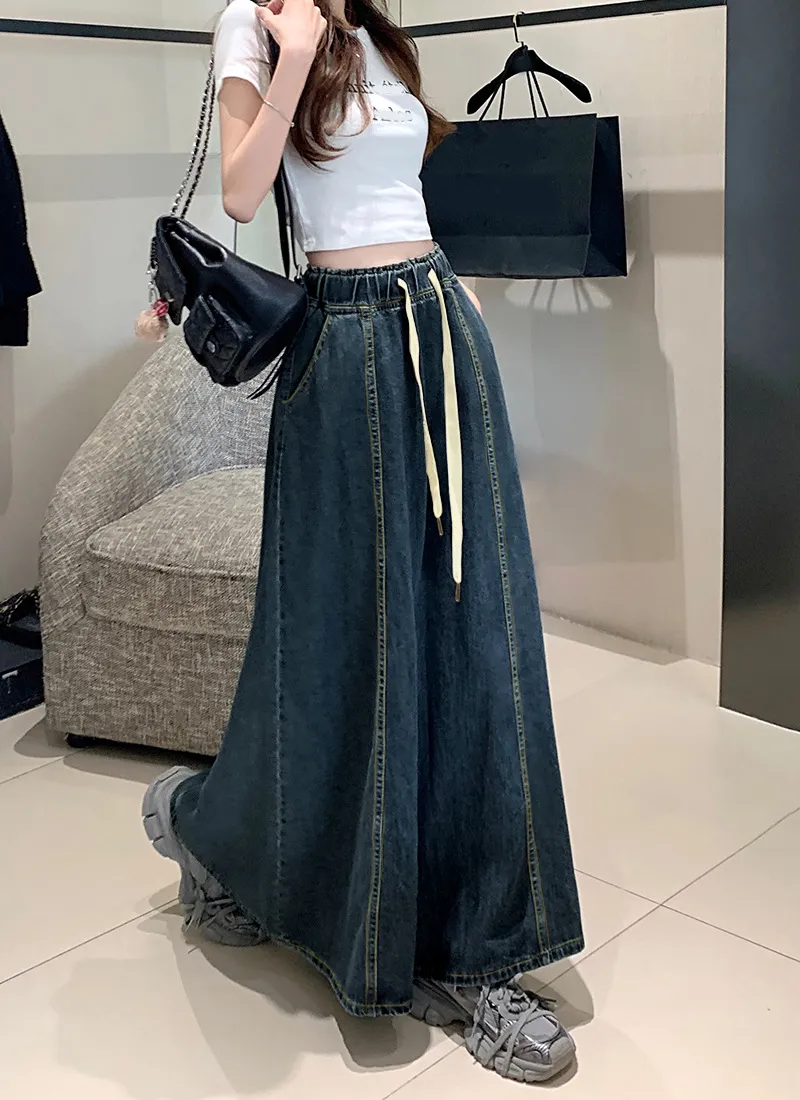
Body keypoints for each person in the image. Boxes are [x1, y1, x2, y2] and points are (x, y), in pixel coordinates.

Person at [142, 0, 583, 1084]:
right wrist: (293, 56)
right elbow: (242, 191)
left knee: (477, 635)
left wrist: (453, 302)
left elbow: (401, 191)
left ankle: (476, 941)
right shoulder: (253, 25)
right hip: (341, 351)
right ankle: (224, 834)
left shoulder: (380, 32)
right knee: (341, 645)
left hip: (439, 324)